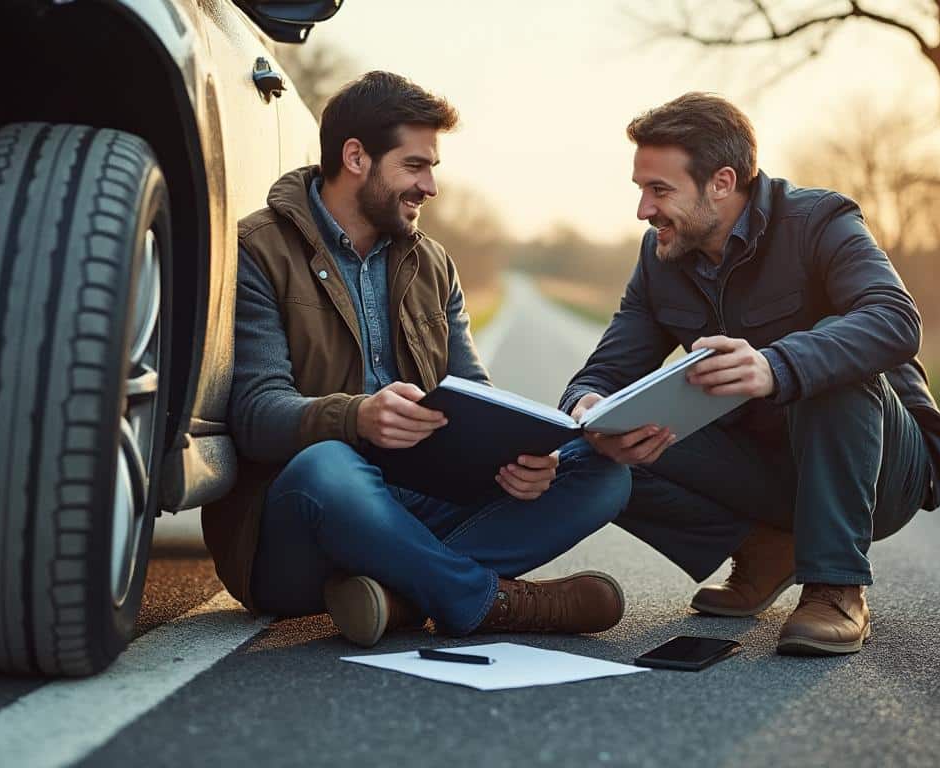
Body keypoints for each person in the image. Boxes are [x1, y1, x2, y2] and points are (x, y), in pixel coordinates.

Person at [201, 71, 632, 648]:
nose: (430, 186)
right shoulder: (258, 249)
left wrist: (515, 462)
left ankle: (405, 592)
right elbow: (255, 414)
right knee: (328, 464)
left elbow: (476, 396)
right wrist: (357, 417)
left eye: (432, 168)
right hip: (306, 528)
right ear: (355, 157)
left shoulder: (434, 263)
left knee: (602, 470)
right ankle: (487, 600)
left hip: (420, 504)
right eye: (415, 166)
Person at [561, 92, 940, 655]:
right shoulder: (659, 259)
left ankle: (836, 585)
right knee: (594, 444)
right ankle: (765, 549)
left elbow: (894, 319)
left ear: (721, 183)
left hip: (885, 467)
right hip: (764, 463)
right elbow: (605, 370)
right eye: (641, 189)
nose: (644, 210)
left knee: (828, 368)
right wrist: (587, 405)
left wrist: (776, 365)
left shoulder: (820, 220)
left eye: (660, 190)